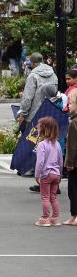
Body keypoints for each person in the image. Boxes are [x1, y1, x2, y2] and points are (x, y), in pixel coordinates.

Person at [34, 117, 63, 227]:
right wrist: (59, 174)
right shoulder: (58, 144)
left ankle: (45, 218)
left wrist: (37, 175)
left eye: (39, 126)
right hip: (56, 174)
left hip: (46, 174)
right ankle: (55, 218)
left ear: (44, 129)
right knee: (53, 197)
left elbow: (40, 162)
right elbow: (60, 160)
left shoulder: (42, 145)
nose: (37, 128)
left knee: (45, 197)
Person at [17, 53, 58, 125]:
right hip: (50, 113)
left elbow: (27, 97)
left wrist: (23, 114)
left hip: (35, 115)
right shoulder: (53, 74)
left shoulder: (33, 75)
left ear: (32, 63)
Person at [64, 89, 77, 226]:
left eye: (71, 103)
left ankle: (74, 215)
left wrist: (69, 163)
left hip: (75, 163)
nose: (68, 106)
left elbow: (72, 146)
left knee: (73, 191)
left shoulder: (73, 123)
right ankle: (74, 216)